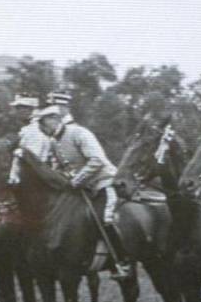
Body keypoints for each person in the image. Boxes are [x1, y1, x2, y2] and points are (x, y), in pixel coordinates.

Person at [37, 105, 132, 281]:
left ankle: (122, 261)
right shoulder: (53, 141)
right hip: (80, 188)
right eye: (41, 124)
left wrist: (76, 180)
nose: (42, 128)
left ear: (54, 119)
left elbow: (97, 160)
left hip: (103, 183)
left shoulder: (79, 133)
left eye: (43, 123)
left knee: (105, 218)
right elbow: (57, 166)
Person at [12, 93, 50, 161]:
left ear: (30, 109)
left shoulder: (35, 130)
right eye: (17, 108)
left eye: (20, 107)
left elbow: (32, 158)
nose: (17, 111)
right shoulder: (27, 128)